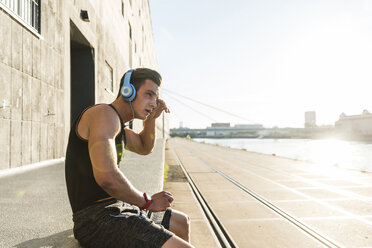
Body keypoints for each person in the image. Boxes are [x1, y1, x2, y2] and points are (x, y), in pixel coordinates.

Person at [65, 68, 194, 248]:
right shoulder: (104, 114)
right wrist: (148, 202)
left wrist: (151, 120)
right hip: (96, 219)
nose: (153, 102)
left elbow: (144, 147)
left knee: (181, 221)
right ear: (128, 91)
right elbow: (107, 178)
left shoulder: (118, 127)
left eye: (156, 98)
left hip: (118, 208)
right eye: (149, 94)